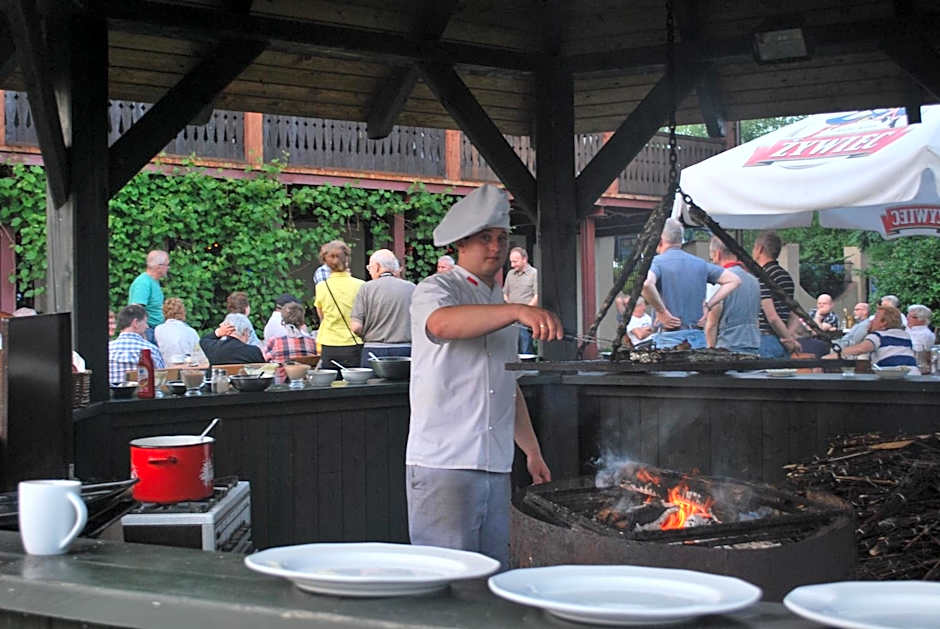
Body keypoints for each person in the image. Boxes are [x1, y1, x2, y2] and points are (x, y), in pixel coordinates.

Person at [407, 184, 560, 570]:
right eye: (485, 238)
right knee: (445, 577)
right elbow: (441, 324)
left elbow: (507, 386)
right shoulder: (436, 288)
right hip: (444, 462)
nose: (496, 247)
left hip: (496, 462)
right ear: (461, 242)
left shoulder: (497, 301)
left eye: (501, 238)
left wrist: (532, 451)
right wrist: (517, 311)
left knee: (493, 573)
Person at [641, 220, 740, 349]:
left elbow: (646, 284)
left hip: (668, 338)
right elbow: (734, 280)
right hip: (697, 338)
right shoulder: (700, 263)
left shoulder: (656, 262)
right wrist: (708, 305)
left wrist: (662, 311)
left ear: (659, 241)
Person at [350, 249, 415, 366]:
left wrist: (367, 335)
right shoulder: (411, 288)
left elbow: (356, 327)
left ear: (377, 267)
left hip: (373, 351)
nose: (370, 272)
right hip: (405, 351)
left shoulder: (366, 289)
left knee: (373, 379)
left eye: (370, 268)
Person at [704, 236, 760, 355]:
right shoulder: (754, 281)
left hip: (727, 346)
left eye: (712, 257)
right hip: (753, 344)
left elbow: (712, 323)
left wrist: (710, 351)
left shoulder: (719, 281)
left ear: (717, 254)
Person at [314, 240, 365, 370]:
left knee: (331, 381)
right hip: (354, 342)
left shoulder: (321, 287)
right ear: (346, 259)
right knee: (355, 380)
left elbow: (322, 316)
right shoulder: (360, 285)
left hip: (329, 343)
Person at [752, 232, 800, 357]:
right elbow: (794, 312)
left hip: (766, 339)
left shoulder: (763, 275)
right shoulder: (785, 276)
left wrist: (787, 339)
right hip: (783, 340)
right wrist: (788, 337)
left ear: (759, 249)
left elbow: (771, 316)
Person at [827, 305, 917, 372]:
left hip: (893, 376)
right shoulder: (905, 335)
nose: (871, 321)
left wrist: (832, 356)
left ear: (884, 322)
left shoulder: (878, 336)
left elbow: (860, 349)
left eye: (875, 318)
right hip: (913, 374)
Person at [108, 304, 166, 384]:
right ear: (135, 323)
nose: (147, 326)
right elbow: (161, 381)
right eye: (145, 322)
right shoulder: (151, 349)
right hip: (143, 391)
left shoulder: (107, 349)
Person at [263, 302, 318, 380]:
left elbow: (265, 360)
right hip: (305, 383)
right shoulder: (311, 342)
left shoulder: (274, 342)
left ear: (283, 321)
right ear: (302, 322)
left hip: (281, 384)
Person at [128, 250, 169, 343]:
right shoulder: (143, 283)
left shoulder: (153, 281)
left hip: (154, 330)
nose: (168, 268)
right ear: (159, 266)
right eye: (167, 265)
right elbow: (136, 309)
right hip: (147, 331)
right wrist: (143, 334)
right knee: (148, 353)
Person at [503, 247, 539, 354]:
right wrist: (511, 308)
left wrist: (524, 312)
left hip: (526, 319)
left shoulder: (534, 273)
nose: (512, 265)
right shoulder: (510, 274)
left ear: (524, 259)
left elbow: (537, 296)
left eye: (515, 261)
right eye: (511, 262)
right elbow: (504, 293)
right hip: (511, 319)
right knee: (511, 348)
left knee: (525, 347)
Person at [199, 313, 265, 365]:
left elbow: (203, 341)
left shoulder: (213, 347)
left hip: (219, 378)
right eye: (249, 332)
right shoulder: (253, 351)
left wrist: (218, 332)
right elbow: (263, 370)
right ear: (245, 332)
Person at [154, 297, 200, 362]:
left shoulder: (158, 329)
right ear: (183, 312)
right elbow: (199, 353)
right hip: (186, 364)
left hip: (165, 365)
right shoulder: (190, 331)